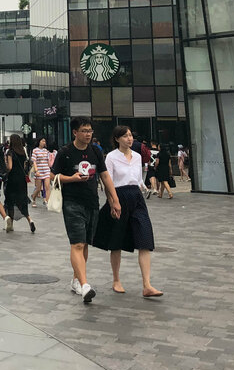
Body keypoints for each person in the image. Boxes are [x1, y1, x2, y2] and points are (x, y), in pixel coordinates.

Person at [51, 118, 120, 304]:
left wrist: (115, 200)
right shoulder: (65, 153)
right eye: (84, 131)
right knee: (78, 244)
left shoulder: (96, 151)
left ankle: (76, 281)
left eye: (90, 130)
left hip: (92, 203)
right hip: (72, 203)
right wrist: (71, 178)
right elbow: (52, 176)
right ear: (75, 132)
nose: (88, 134)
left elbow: (105, 176)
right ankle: (85, 285)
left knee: (85, 244)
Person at [91, 126, 162, 298]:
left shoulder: (137, 157)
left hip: (136, 197)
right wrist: (113, 202)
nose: (129, 139)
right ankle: (116, 280)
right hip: (118, 196)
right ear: (117, 139)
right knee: (117, 241)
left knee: (145, 238)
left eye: (130, 135)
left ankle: (147, 285)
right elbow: (108, 182)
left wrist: (145, 189)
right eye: (125, 136)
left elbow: (138, 180)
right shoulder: (111, 158)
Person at [3, 134, 35, 233]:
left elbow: (10, 167)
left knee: (10, 201)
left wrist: (5, 166)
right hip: (22, 179)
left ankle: (10, 224)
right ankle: (30, 220)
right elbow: (25, 166)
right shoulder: (22, 152)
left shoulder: (10, 152)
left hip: (12, 179)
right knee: (22, 200)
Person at [30, 138, 51, 207]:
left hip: (46, 170)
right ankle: (33, 199)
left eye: (45, 141)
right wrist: (36, 170)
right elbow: (34, 161)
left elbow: (48, 161)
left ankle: (47, 201)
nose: (44, 142)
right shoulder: (35, 150)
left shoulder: (46, 151)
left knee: (47, 187)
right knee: (38, 188)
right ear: (39, 142)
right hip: (39, 171)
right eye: (42, 141)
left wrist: (50, 169)